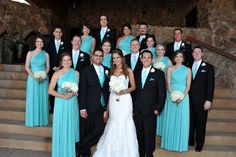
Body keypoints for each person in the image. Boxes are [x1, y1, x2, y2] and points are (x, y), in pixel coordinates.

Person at [93, 49, 139, 157]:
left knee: (124, 123)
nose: (116, 59)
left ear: (122, 58)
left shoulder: (128, 70)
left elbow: (133, 87)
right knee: (113, 123)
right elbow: (109, 91)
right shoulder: (111, 71)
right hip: (113, 99)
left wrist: (124, 91)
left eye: (118, 57)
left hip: (125, 100)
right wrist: (107, 110)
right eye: (114, 58)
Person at [134, 50, 166, 157]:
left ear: (151, 59)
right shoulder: (136, 72)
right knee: (139, 134)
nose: (146, 59)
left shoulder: (159, 73)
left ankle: (149, 153)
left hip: (151, 110)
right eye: (144, 57)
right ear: (141, 59)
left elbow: (162, 93)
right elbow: (134, 91)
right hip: (137, 110)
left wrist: (158, 108)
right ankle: (141, 153)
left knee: (149, 134)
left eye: (149, 58)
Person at [79, 50, 110, 157]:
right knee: (87, 131)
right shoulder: (86, 70)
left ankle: (80, 147)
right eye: (96, 55)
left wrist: (107, 108)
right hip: (89, 106)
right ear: (92, 57)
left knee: (99, 130)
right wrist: (82, 108)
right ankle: (84, 153)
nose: (98, 57)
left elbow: (108, 90)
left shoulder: (107, 70)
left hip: (102, 106)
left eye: (101, 56)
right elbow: (82, 90)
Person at [48, 53, 80, 157]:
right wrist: (63, 96)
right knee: (61, 126)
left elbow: (77, 90)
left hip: (72, 103)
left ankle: (71, 153)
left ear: (71, 61)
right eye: (64, 60)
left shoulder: (76, 73)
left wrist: (73, 92)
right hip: (61, 103)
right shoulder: (57, 74)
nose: (67, 62)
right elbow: (50, 90)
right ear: (61, 62)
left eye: (69, 60)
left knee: (71, 126)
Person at [161, 50, 191, 152]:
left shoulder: (188, 70)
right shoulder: (169, 69)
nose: (178, 58)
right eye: (177, 56)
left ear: (183, 58)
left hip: (183, 96)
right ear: (174, 58)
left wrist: (182, 96)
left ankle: (180, 144)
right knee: (171, 118)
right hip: (171, 95)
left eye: (181, 56)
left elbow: (188, 85)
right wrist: (172, 95)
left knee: (181, 119)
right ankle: (169, 143)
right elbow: (168, 83)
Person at [189, 46, 215, 152]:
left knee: (200, 123)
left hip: (202, 101)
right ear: (192, 54)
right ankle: (190, 140)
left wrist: (208, 100)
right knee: (190, 121)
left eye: (199, 52)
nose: (196, 53)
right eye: (194, 52)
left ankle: (199, 144)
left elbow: (210, 85)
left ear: (202, 54)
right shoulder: (187, 66)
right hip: (188, 100)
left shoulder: (208, 67)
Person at [25, 36, 49, 127]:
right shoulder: (30, 53)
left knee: (42, 98)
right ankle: (32, 120)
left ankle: (42, 120)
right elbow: (27, 67)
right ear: (35, 43)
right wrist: (34, 76)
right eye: (38, 41)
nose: (40, 43)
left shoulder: (46, 54)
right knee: (32, 98)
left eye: (41, 42)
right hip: (32, 78)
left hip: (43, 79)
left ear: (43, 44)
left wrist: (44, 75)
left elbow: (48, 67)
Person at [46, 27, 68, 113]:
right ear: (54, 33)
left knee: (61, 88)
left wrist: (60, 67)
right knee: (53, 88)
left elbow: (66, 56)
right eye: (56, 32)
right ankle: (52, 108)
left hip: (62, 70)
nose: (58, 33)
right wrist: (53, 67)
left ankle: (61, 108)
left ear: (62, 34)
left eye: (60, 32)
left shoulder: (65, 45)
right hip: (52, 70)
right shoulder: (49, 44)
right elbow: (47, 57)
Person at [153, 44, 172, 136]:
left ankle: (162, 130)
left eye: (162, 50)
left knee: (162, 107)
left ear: (164, 51)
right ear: (156, 51)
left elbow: (171, 74)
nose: (160, 51)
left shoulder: (168, 60)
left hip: (163, 86)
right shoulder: (153, 60)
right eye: (158, 49)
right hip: (154, 87)